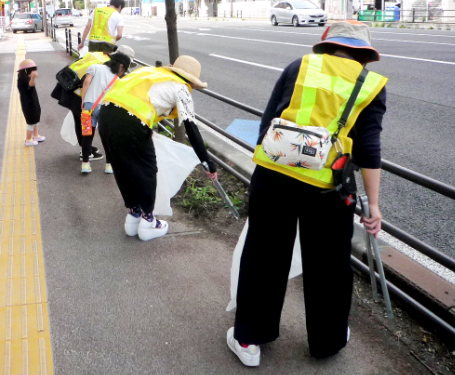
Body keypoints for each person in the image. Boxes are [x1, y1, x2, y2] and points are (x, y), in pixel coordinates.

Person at [227, 22, 388, 367]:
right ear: (364, 54)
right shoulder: (369, 84)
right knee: (328, 265)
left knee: (264, 256)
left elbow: (268, 121)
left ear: (327, 46)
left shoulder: (298, 66)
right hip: (327, 188)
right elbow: (369, 149)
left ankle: (249, 340)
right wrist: (372, 206)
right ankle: (327, 342)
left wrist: (265, 169)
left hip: (274, 175)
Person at [98, 55, 217, 241]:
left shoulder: (152, 73)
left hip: (105, 115)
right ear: (192, 80)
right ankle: (148, 221)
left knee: (122, 167)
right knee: (146, 169)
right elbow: (191, 128)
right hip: (132, 121)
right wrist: (207, 160)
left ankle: (133, 216)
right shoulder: (181, 88)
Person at [80, 50, 132, 174]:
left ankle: (85, 164)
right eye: (124, 69)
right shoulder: (117, 79)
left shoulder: (95, 67)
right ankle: (109, 165)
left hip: (89, 106)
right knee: (108, 137)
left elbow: (86, 82)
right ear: (120, 66)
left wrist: (83, 100)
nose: (122, 72)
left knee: (87, 135)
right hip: (106, 108)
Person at [17, 59, 45, 147]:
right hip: (28, 103)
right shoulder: (22, 78)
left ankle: (35, 135)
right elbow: (30, 85)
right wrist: (32, 77)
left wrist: (32, 77)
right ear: (25, 70)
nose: (33, 71)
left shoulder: (25, 76)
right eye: (31, 69)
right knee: (31, 121)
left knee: (36, 118)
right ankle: (28, 140)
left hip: (33, 100)